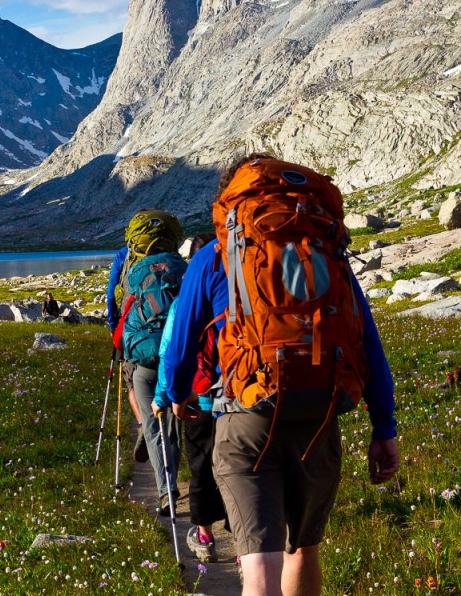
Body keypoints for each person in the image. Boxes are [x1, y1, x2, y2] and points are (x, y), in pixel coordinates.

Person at [162, 155, 399, 596]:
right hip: (320, 410)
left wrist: (177, 394)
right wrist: (384, 426)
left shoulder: (217, 254)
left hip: (248, 414)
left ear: (232, 201)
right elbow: (368, 339)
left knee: (259, 566)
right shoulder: (327, 251)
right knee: (303, 549)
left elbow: (181, 344)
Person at [152, 232, 227, 562]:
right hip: (234, 398)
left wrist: (166, 397)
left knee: (201, 467)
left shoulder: (184, 302)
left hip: (197, 399)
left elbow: (171, 351)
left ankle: (205, 536)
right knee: (234, 470)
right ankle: (242, 540)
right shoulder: (233, 293)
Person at [119, 210, 186, 516]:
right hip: (177, 358)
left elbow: (120, 310)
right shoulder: (183, 269)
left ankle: (165, 491)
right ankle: (174, 480)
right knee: (173, 426)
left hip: (144, 358)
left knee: (151, 424)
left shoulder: (133, 271)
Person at [107, 245, 148, 462]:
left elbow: (112, 292)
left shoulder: (124, 254)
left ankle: (144, 424)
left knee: (132, 381)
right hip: (166, 325)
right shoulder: (170, 252)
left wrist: (114, 326)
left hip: (133, 328)